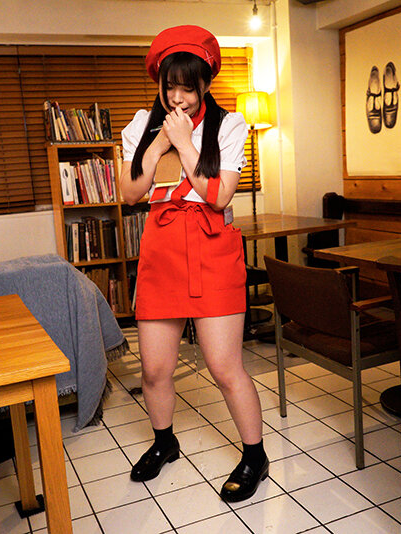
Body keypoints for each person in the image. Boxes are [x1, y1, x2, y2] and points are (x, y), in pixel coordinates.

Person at [120, 25, 268, 503]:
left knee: (224, 367)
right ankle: (164, 442)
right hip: (161, 250)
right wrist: (158, 144)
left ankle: (255, 456)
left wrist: (184, 142)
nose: (178, 98)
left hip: (212, 250)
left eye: (188, 87)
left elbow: (219, 195)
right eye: (171, 86)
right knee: (154, 369)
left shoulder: (229, 125)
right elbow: (130, 193)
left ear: (205, 83)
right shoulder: (141, 124)